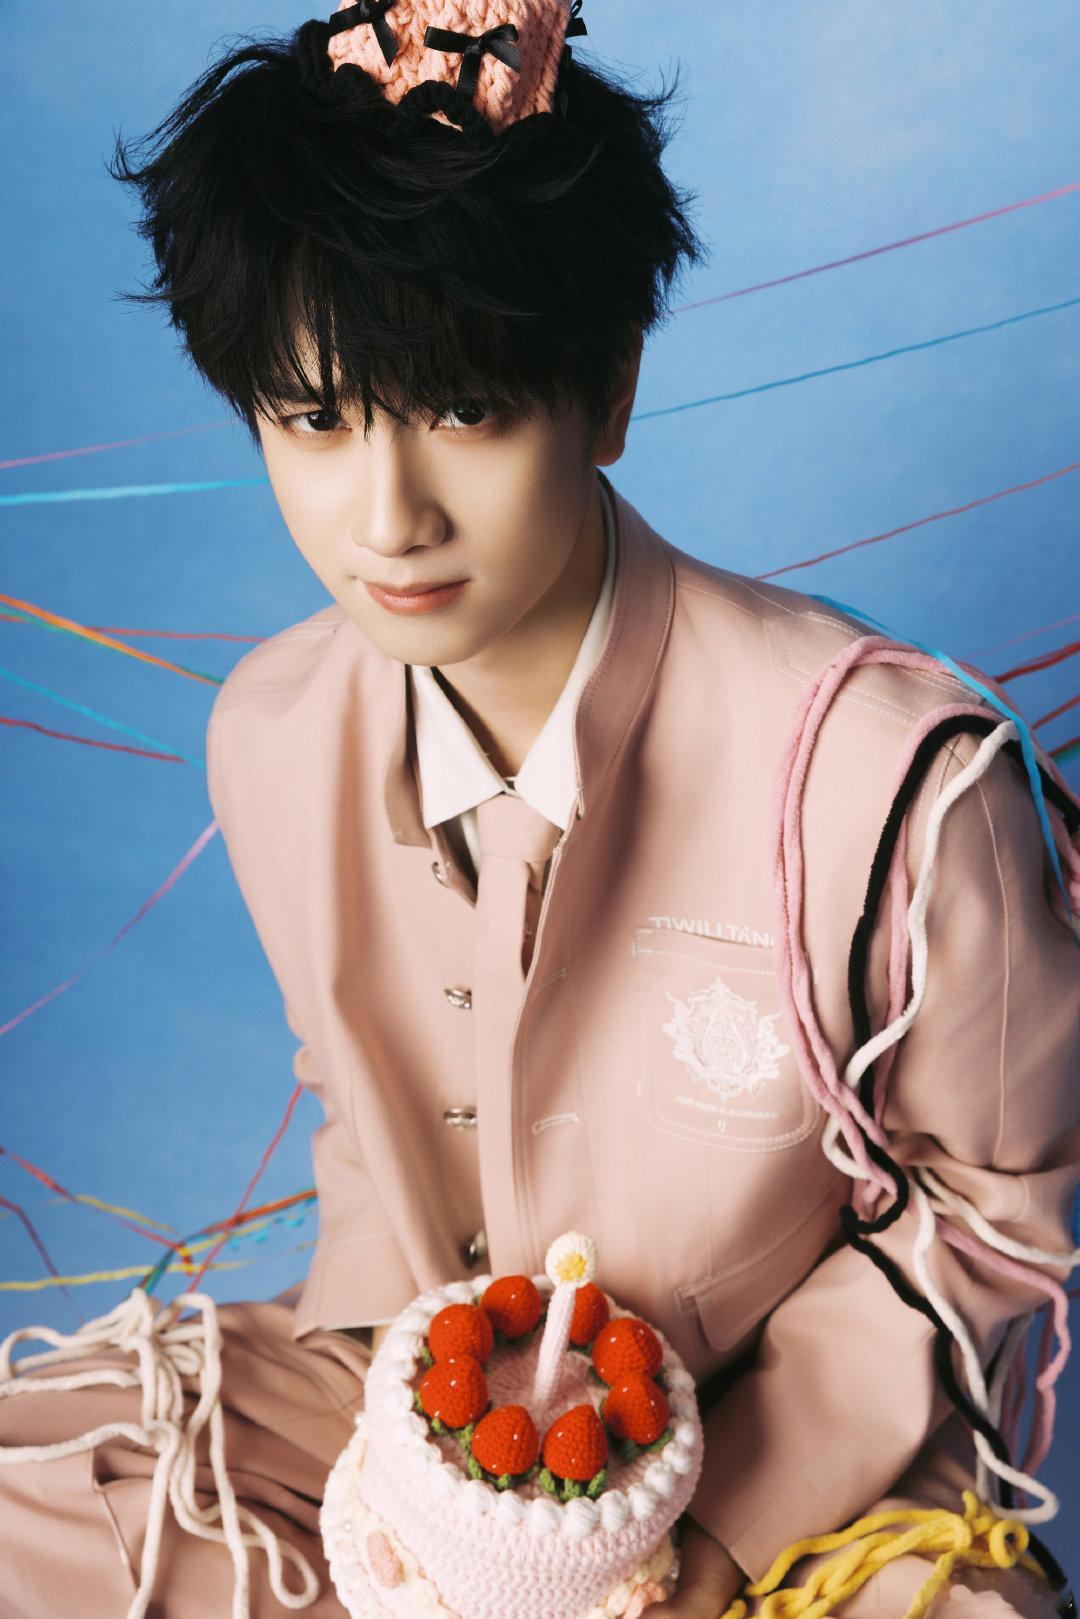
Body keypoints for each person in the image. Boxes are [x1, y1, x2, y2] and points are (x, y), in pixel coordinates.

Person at [2, 4, 1079, 1616]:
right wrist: (414, 1469)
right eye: (316, 418)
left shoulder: (896, 782)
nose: (388, 517)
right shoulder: (274, 732)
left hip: (787, 1473)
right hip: (409, 1405)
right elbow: (360, 1104)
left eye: (465, 408)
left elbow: (1000, 1210)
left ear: (609, 388)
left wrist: (708, 1541)